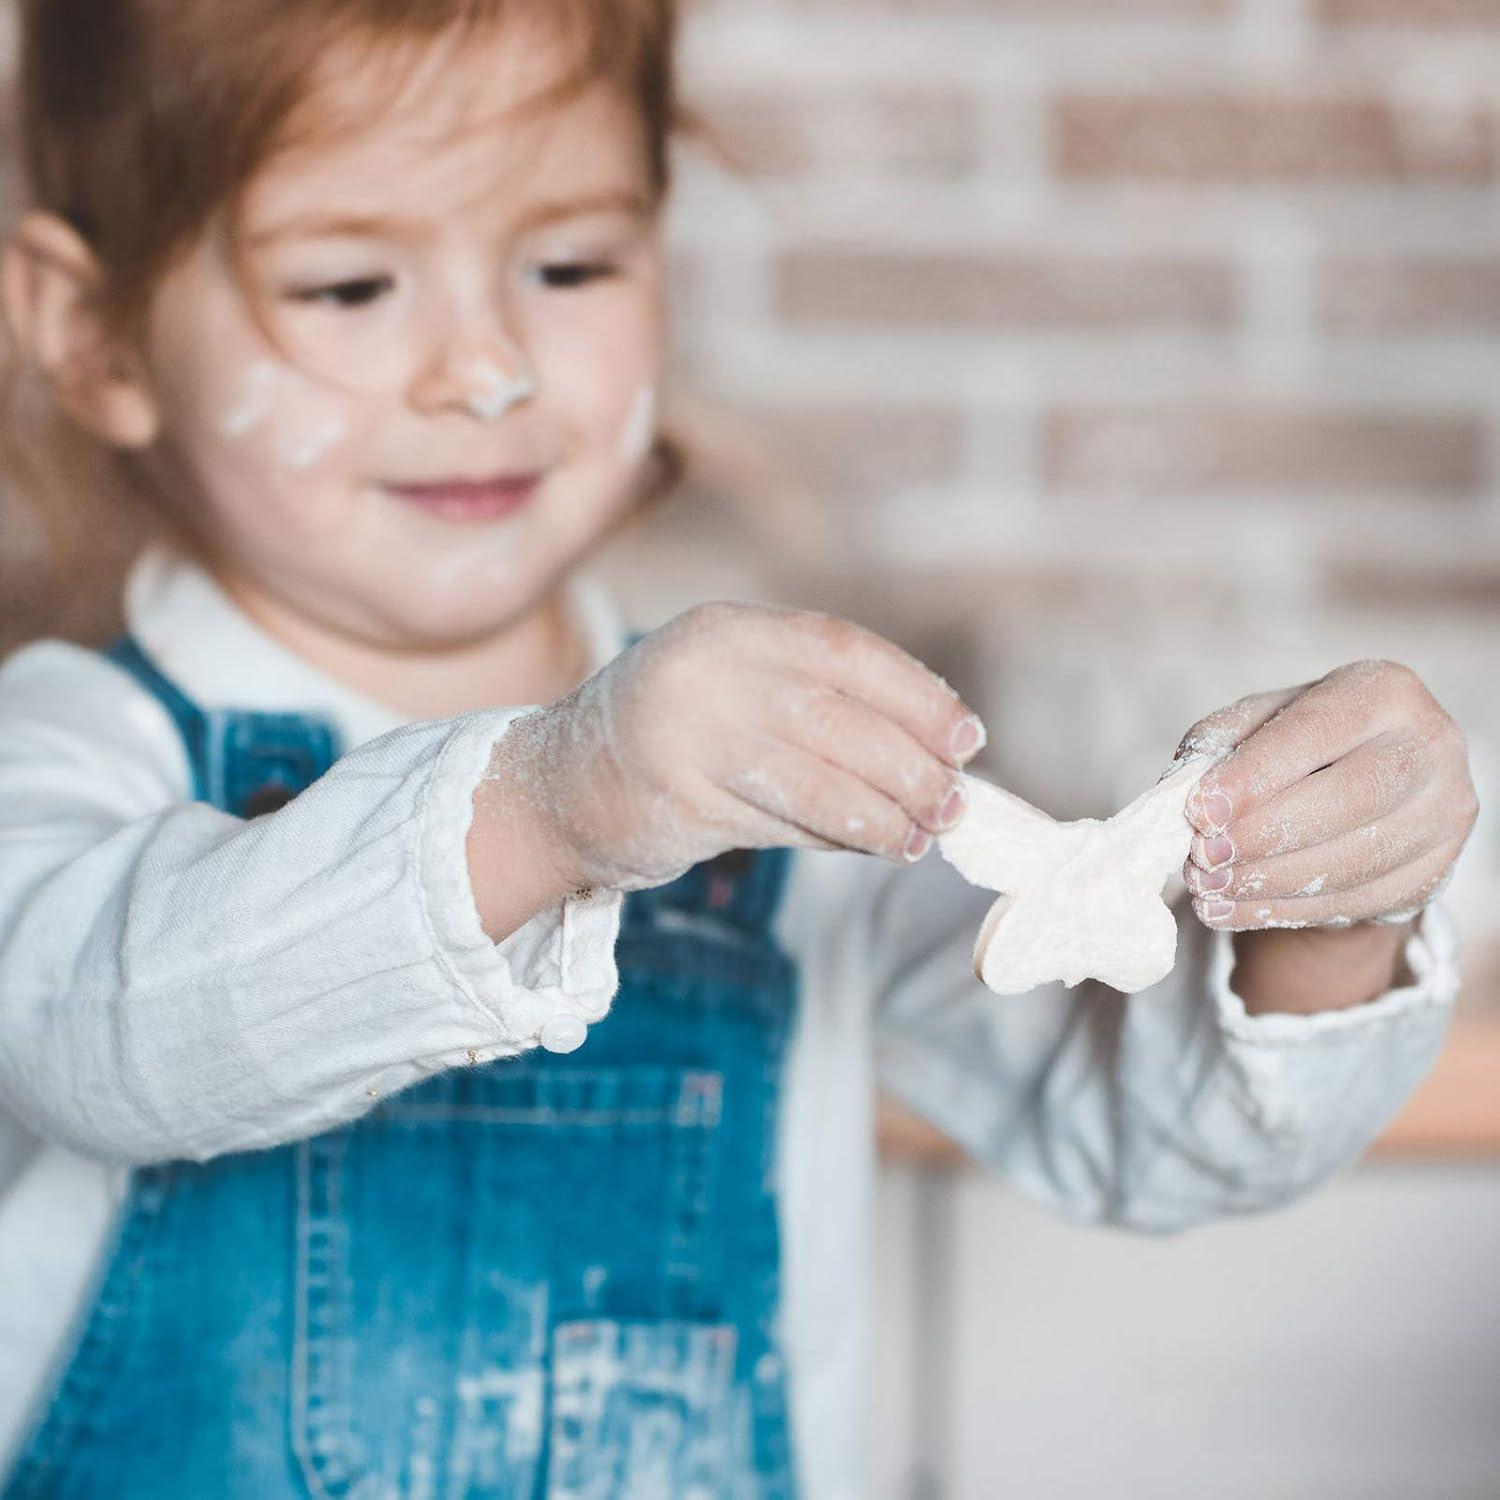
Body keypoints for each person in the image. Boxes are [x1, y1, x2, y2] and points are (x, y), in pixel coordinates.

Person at [0, 0, 1478, 1494]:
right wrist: (549, 806)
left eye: (569, 264)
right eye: (348, 285)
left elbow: (1155, 1138)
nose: (487, 369)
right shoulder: (72, 748)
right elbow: (102, 1041)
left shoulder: (775, 775)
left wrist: (1325, 905)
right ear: (92, 332)